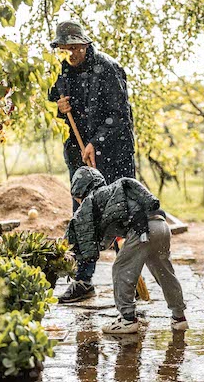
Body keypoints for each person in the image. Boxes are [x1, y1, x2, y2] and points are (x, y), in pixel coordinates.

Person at [48, 20, 137, 302]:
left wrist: (94, 143)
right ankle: (84, 281)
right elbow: (59, 97)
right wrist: (62, 107)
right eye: (66, 49)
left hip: (113, 153)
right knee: (83, 215)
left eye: (75, 48)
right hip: (80, 154)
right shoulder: (66, 70)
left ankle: (129, 279)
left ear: (85, 44)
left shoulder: (108, 69)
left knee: (119, 213)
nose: (71, 54)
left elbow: (119, 117)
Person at [64, 167, 188, 334]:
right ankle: (179, 317)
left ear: (80, 190)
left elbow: (84, 230)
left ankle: (128, 319)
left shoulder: (90, 201)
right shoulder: (114, 193)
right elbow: (111, 231)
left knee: (121, 269)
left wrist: (82, 252)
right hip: (161, 225)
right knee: (164, 272)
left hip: (142, 230)